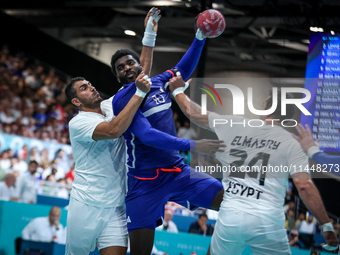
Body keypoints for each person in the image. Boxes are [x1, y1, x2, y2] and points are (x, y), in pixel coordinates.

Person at [167, 76, 339, 254]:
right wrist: (326, 225)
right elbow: (304, 186)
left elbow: (193, 112)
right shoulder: (292, 143)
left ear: (267, 106)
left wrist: (178, 91)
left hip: (231, 216)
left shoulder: (235, 124)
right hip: (267, 222)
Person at [110, 27, 224, 255]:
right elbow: (148, 136)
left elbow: (183, 69)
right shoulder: (122, 99)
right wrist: (192, 145)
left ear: (140, 65)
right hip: (144, 182)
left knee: (230, 201)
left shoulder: (159, 82)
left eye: (130, 63)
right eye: (120, 68)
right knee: (140, 252)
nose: (127, 69)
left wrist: (200, 38)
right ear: (118, 76)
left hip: (177, 172)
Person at [64, 8, 160, 255]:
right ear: (76, 101)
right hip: (86, 205)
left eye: (90, 84)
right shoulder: (79, 123)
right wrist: (138, 94)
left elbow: (142, 77)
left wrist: (149, 34)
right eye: (84, 88)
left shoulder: (111, 105)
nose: (92, 87)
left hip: (117, 207)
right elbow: (114, 130)